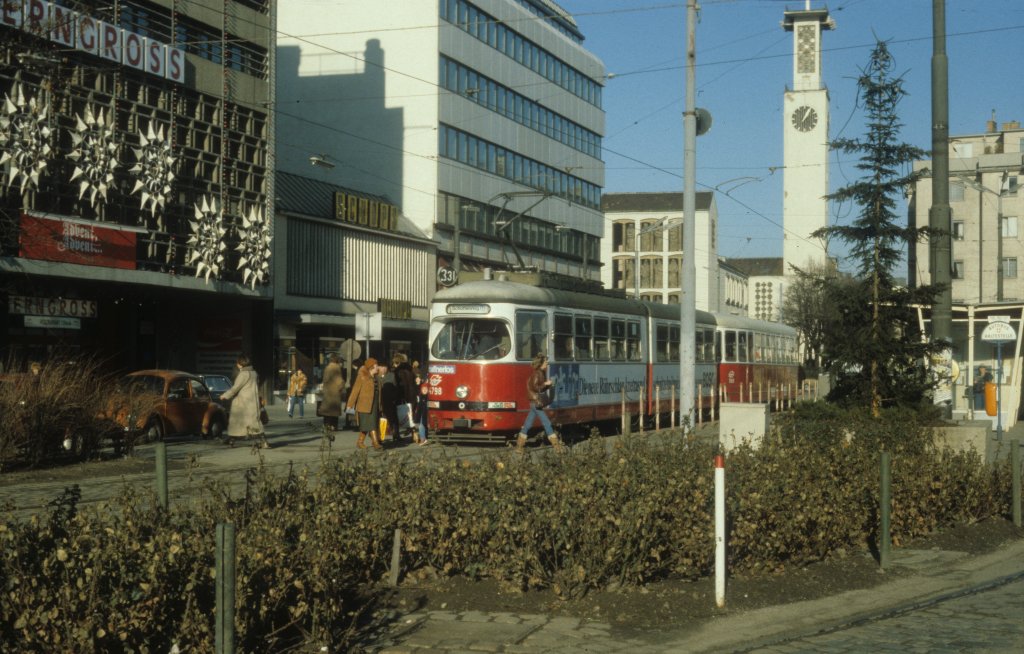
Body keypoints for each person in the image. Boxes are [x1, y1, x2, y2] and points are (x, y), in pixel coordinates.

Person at [219, 354, 266, 448]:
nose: (237, 364)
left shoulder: (243, 374)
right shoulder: (254, 373)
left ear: (240, 363)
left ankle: (231, 440)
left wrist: (224, 396)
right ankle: (264, 441)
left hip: (243, 403)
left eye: (237, 362)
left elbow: (235, 388)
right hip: (252, 402)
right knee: (254, 422)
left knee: (237, 422)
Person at [517, 353, 561, 451]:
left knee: (528, 423)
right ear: (541, 363)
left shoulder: (541, 372)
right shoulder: (537, 373)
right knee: (547, 423)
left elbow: (541, 387)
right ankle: (557, 447)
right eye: (545, 362)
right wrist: (546, 383)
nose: (547, 363)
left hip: (534, 402)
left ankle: (519, 446)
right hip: (536, 401)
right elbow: (535, 387)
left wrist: (549, 384)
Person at [346, 358, 381, 449]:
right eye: (376, 365)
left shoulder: (376, 377)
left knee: (369, 424)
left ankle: (360, 442)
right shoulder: (362, 376)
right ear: (372, 367)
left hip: (374, 405)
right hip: (364, 405)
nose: (378, 367)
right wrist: (350, 405)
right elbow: (355, 391)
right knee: (370, 424)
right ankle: (375, 443)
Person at [394, 353, 418, 441]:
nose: (394, 365)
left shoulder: (398, 371)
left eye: (395, 363)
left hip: (403, 396)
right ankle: (414, 434)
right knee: (411, 416)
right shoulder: (411, 370)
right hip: (412, 396)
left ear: (398, 362)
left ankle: (396, 434)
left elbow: (401, 385)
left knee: (397, 415)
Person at [320, 354, 344, 431]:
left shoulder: (327, 368)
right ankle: (333, 427)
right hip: (334, 393)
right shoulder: (336, 368)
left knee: (327, 413)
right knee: (334, 412)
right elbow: (339, 381)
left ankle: (326, 426)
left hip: (327, 393)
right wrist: (342, 386)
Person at [379, 360, 400, 443]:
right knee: (382, 419)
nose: (383, 369)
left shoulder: (391, 375)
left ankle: (396, 434)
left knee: (393, 418)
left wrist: (394, 398)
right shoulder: (376, 376)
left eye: (385, 367)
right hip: (380, 401)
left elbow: (396, 387)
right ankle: (381, 436)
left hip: (390, 400)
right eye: (381, 367)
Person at [413, 371, 430, 446]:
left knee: (421, 423)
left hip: (422, 407)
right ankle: (424, 438)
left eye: (418, 379)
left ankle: (423, 439)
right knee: (422, 423)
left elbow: (423, 394)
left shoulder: (424, 385)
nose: (417, 380)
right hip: (421, 407)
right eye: (416, 379)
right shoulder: (420, 385)